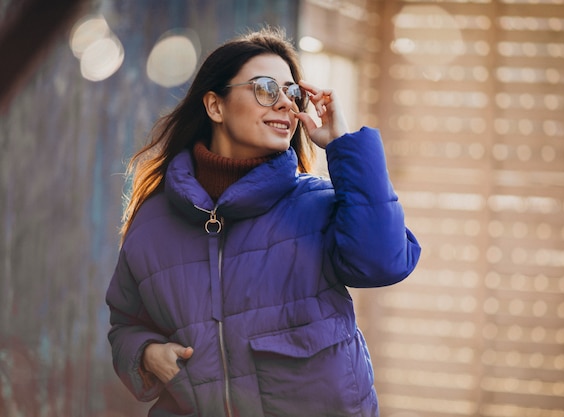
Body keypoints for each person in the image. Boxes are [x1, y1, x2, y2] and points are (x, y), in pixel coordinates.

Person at [105, 27, 421, 417]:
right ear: (215, 106)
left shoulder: (316, 204)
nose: (286, 105)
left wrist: (343, 144)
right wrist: (146, 354)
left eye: (292, 94)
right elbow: (125, 323)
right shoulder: (154, 220)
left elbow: (383, 262)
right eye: (267, 89)